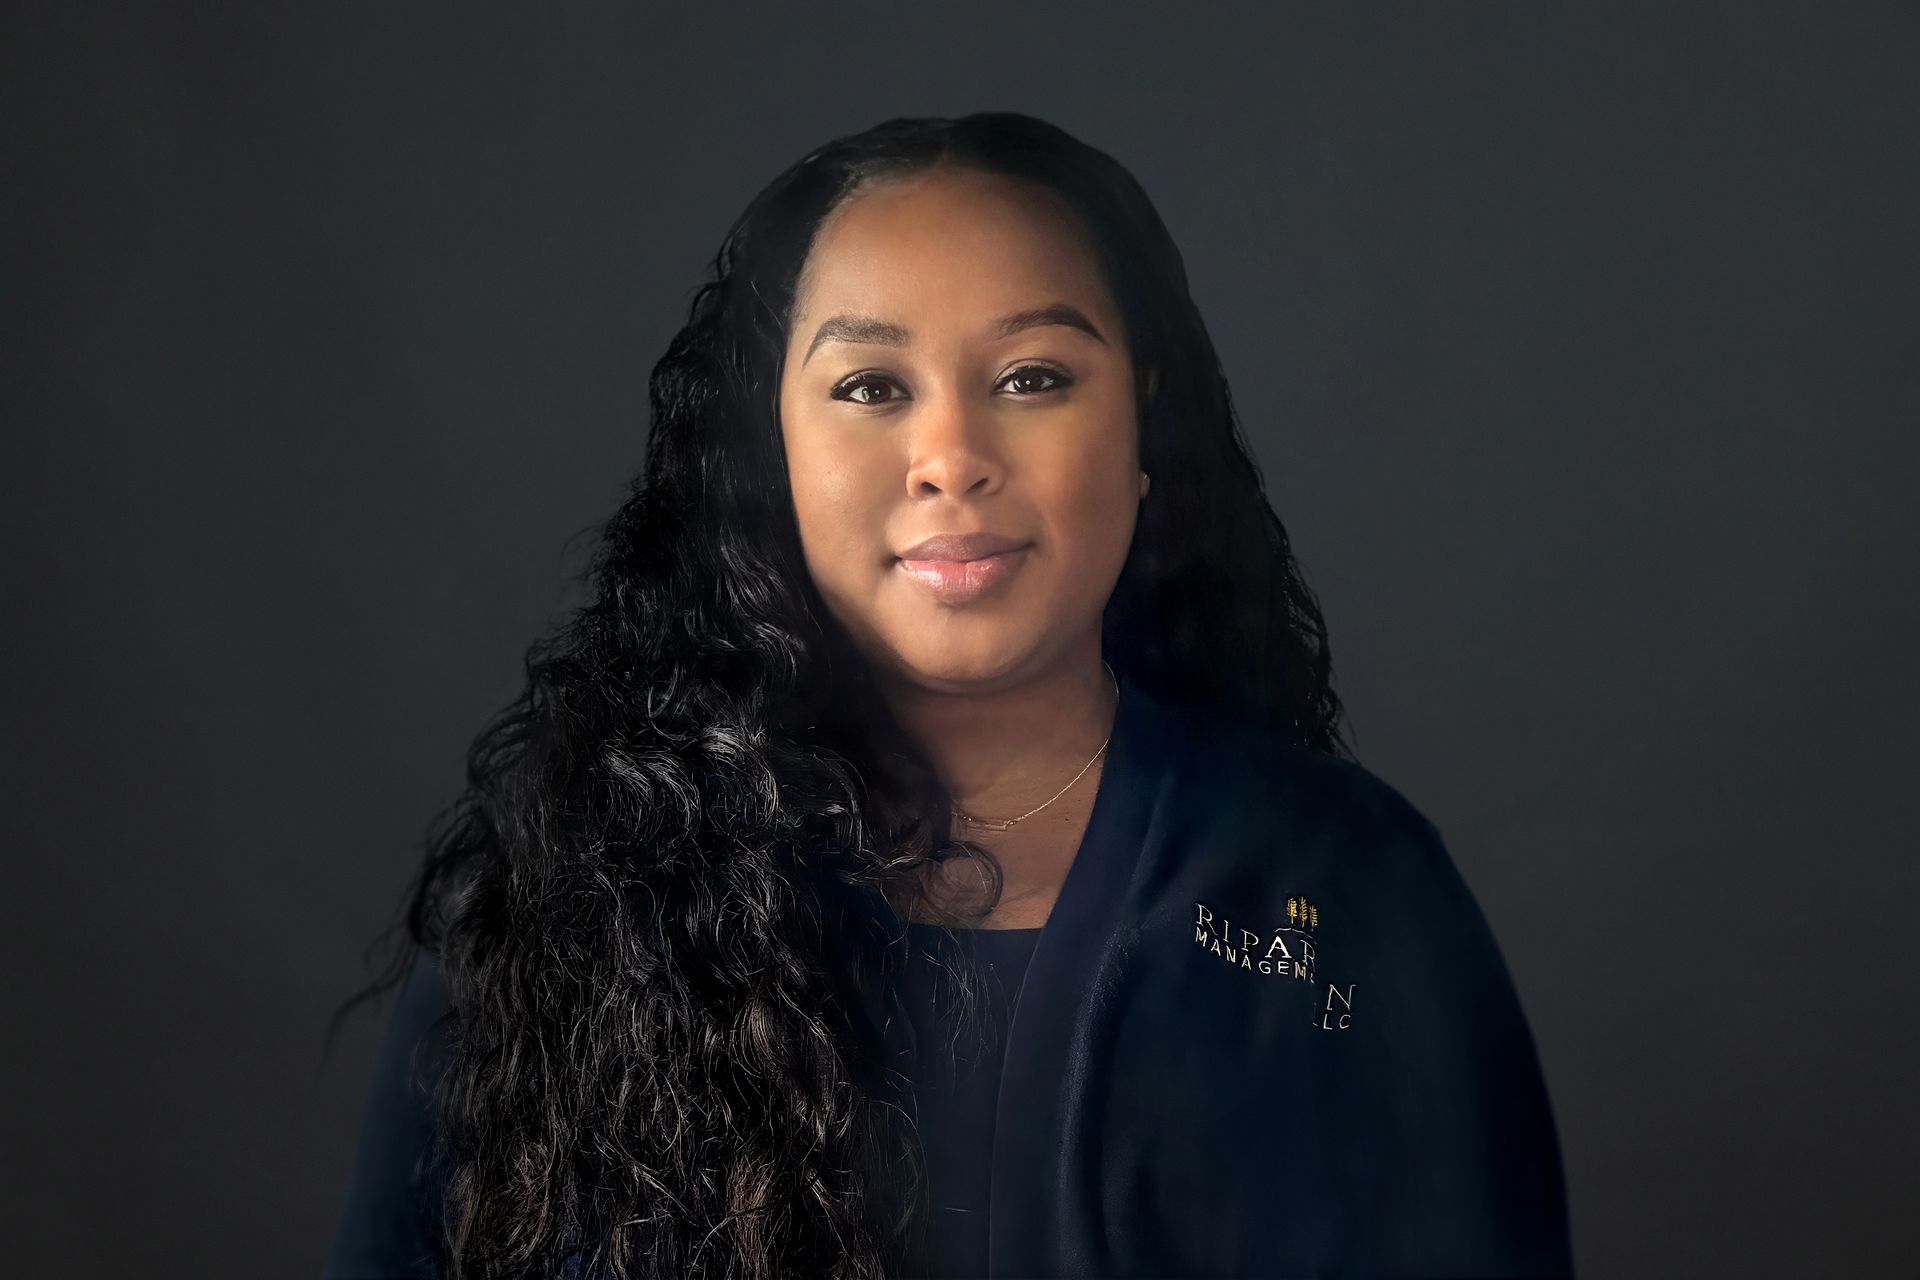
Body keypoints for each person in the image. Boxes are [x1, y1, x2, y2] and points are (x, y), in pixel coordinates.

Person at [324, 111, 1573, 1280]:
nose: (952, 459)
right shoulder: (563, 889)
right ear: (769, 448)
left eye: (1032, 377)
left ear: (1144, 426)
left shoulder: (1348, 886)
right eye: (871, 387)